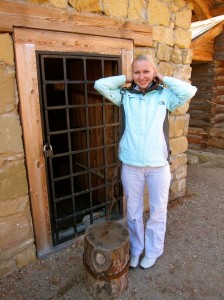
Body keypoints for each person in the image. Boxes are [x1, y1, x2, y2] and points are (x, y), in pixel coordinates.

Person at [94, 54, 197, 269]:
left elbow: (189, 91)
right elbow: (100, 85)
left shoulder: (165, 95)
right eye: (137, 72)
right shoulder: (125, 95)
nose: (142, 76)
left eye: (146, 71)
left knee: (158, 210)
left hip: (158, 164)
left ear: (154, 73)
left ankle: (153, 251)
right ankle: (137, 249)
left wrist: (162, 77)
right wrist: (126, 77)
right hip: (131, 163)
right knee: (133, 212)